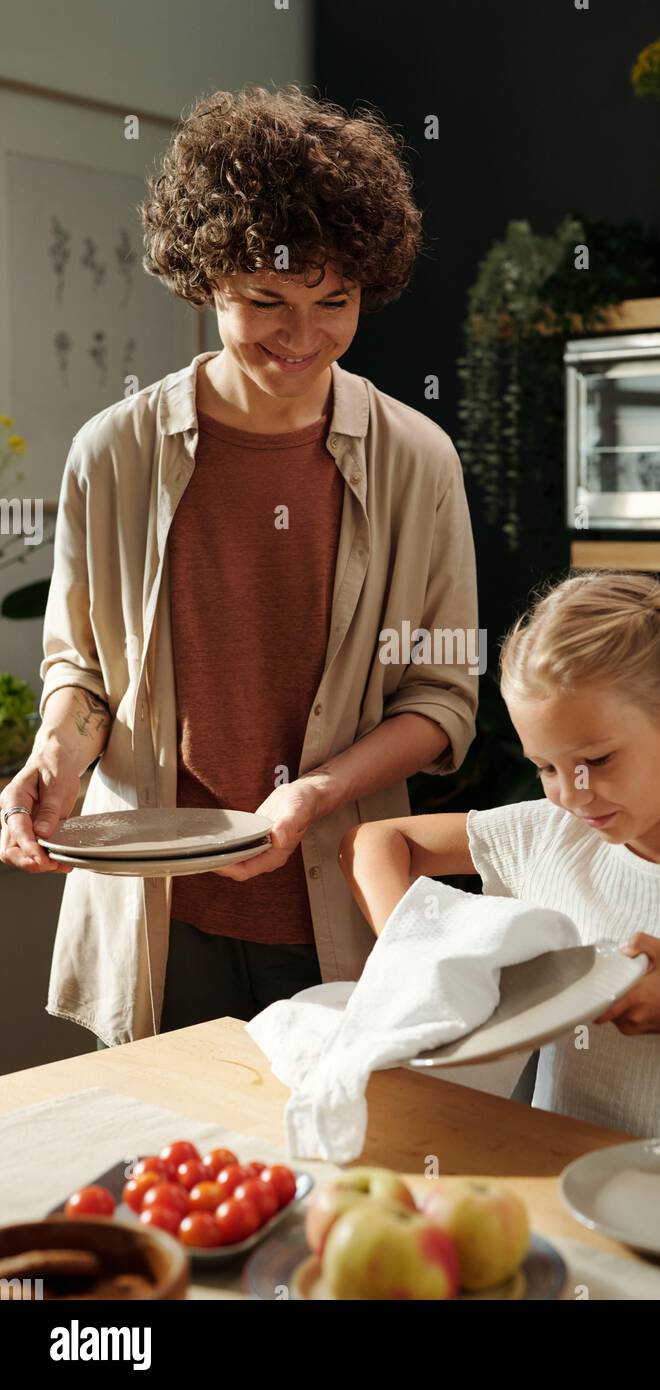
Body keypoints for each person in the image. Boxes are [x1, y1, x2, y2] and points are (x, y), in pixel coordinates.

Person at [0, 85, 479, 1048]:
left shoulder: (416, 459)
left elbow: (442, 700)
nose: (300, 339)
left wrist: (310, 797)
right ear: (206, 278)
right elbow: (81, 670)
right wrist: (53, 757)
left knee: (336, 1178)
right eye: (266, 302)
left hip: (343, 902)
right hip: (157, 914)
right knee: (172, 1176)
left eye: (332, 303)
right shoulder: (114, 453)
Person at [339, 570, 660, 1140]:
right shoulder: (550, 835)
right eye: (545, 767)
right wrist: (417, 959)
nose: (571, 794)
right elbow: (372, 842)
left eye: (600, 759)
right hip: (554, 1196)